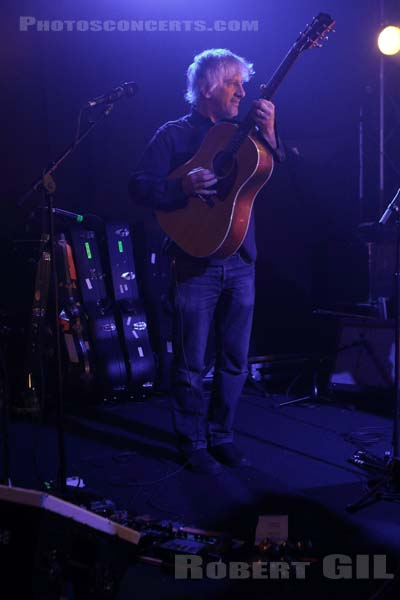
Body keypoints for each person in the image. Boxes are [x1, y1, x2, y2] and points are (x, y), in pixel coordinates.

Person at [130, 49, 285, 474]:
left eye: (242, 82)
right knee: (191, 360)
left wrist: (271, 133)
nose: (242, 90)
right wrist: (181, 185)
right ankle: (192, 441)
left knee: (235, 358)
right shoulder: (174, 135)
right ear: (207, 87)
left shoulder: (246, 133)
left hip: (240, 258)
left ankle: (223, 435)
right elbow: (140, 185)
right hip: (194, 260)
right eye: (233, 82)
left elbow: (277, 170)